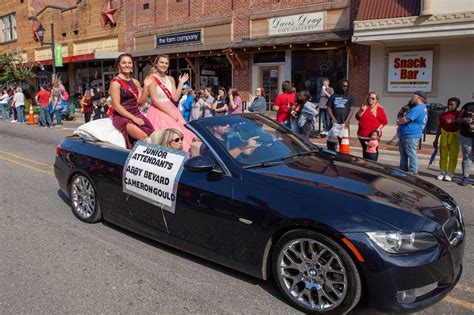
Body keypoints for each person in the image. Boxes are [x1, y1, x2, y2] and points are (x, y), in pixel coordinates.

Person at [144, 54, 195, 152]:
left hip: (171, 107)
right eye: (161, 62)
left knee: (181, 134)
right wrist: (171, 113)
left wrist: (180, 83)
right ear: (156, 64)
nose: (164, 65)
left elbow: (175, 98)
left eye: (166, 63)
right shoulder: (152, 78)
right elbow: (155, 101)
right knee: (166, 138)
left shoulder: (170, 79)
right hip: (158, 110)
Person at [109, 53, 155, 149]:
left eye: (129, 63)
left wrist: (146, 87)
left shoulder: (135, 82)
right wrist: (133, 118)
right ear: (119, 65)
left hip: (137, 113)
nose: (127, 65)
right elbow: (116, 106)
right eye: (124, 63)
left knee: (153, 135)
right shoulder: (115, 83)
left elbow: (141, 103)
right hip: (122, 116)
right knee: (144, 137)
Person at [396, 90, 428, 175]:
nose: (412, 98)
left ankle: (413, 171)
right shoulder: (422, 107)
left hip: (411, 135)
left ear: (420, 98)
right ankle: (403, 168)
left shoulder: (418, 108)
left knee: (410, 153)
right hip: (407, 134)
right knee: (404, 153)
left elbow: (406, 119)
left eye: (414, 97)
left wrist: (398, 122)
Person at [433, 97, 461, 181]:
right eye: (449, 104)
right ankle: (443, 171)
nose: (449, 106)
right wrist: (436, 139)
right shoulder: (443, 115)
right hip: (444, 136)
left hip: (455, 137)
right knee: (443, 155)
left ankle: (450, 172)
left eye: (452, 104)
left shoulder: (460, 114)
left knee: (453, 155)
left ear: (457, 105)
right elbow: (439, 127)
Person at [355, 91, 388, 160]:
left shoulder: (379, 109)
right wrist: (361, 110)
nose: (370, 100)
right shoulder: (365, 107)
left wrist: (379, 128)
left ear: (376, 100)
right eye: (369, 98)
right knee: (365, 152)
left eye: (373, 98)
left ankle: (373, 167)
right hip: (362, 135)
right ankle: (366, 167)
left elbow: (384, 121)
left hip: (373, 136)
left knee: (372, 152)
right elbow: (357, 117)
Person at [326, 79, 355, 151]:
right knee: (331, 144)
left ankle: (342, 158)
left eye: (347, 86)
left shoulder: (350, 97)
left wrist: (347, 121)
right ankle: (331, 157)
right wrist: (333, 118)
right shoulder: (333, 96)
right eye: (344, 86)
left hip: (344, 124)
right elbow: (329, 108)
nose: (345, 88)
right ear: (339, 86)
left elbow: (351, 110)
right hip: (334, 123)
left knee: (343, 143)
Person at [456, 102, 474, 186]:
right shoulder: (467, 106)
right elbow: (457, 120)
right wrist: (465, 119)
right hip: (466, 136)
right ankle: (465, 177)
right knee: (467, 156)